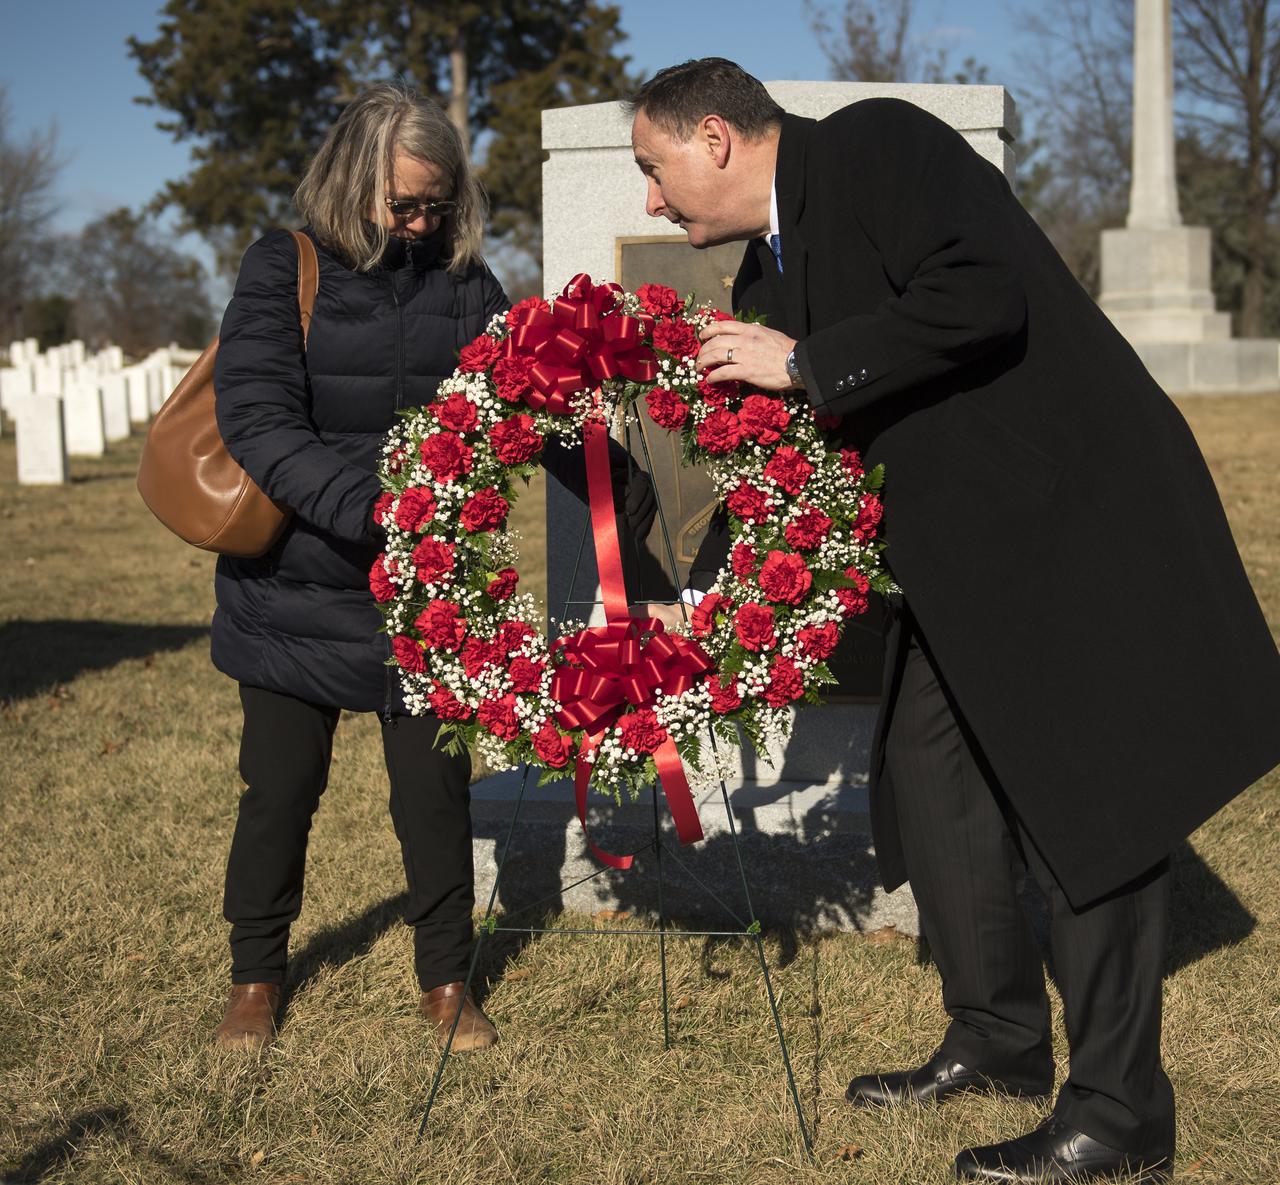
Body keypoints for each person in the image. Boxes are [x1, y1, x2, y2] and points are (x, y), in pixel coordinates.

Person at [627, 58, 1280, 1183]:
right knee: (931, 785)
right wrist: (696, 580)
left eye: (653, 167)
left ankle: (1122, 1113)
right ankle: (996, 1041)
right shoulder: (765, 271)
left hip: (1066, 525)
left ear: (717, 139)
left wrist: (808, 362)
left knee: (1083, 802)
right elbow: (797, 454)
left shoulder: (876, 145)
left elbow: (984, 291)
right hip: (954, 566)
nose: (649, 198)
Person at [210, 81, 653, 1055]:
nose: (420, 220)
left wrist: (601, 461)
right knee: (280, 790)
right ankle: (256, 974)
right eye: (402, 203)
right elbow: (258, 419)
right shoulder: (280, 269)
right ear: (350, 184)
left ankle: (446, 980)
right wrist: (380, 511)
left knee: (435, 795)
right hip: (297, 585)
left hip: (426, 598)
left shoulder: (464, 280)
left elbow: (511, 394)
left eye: (435, 203)